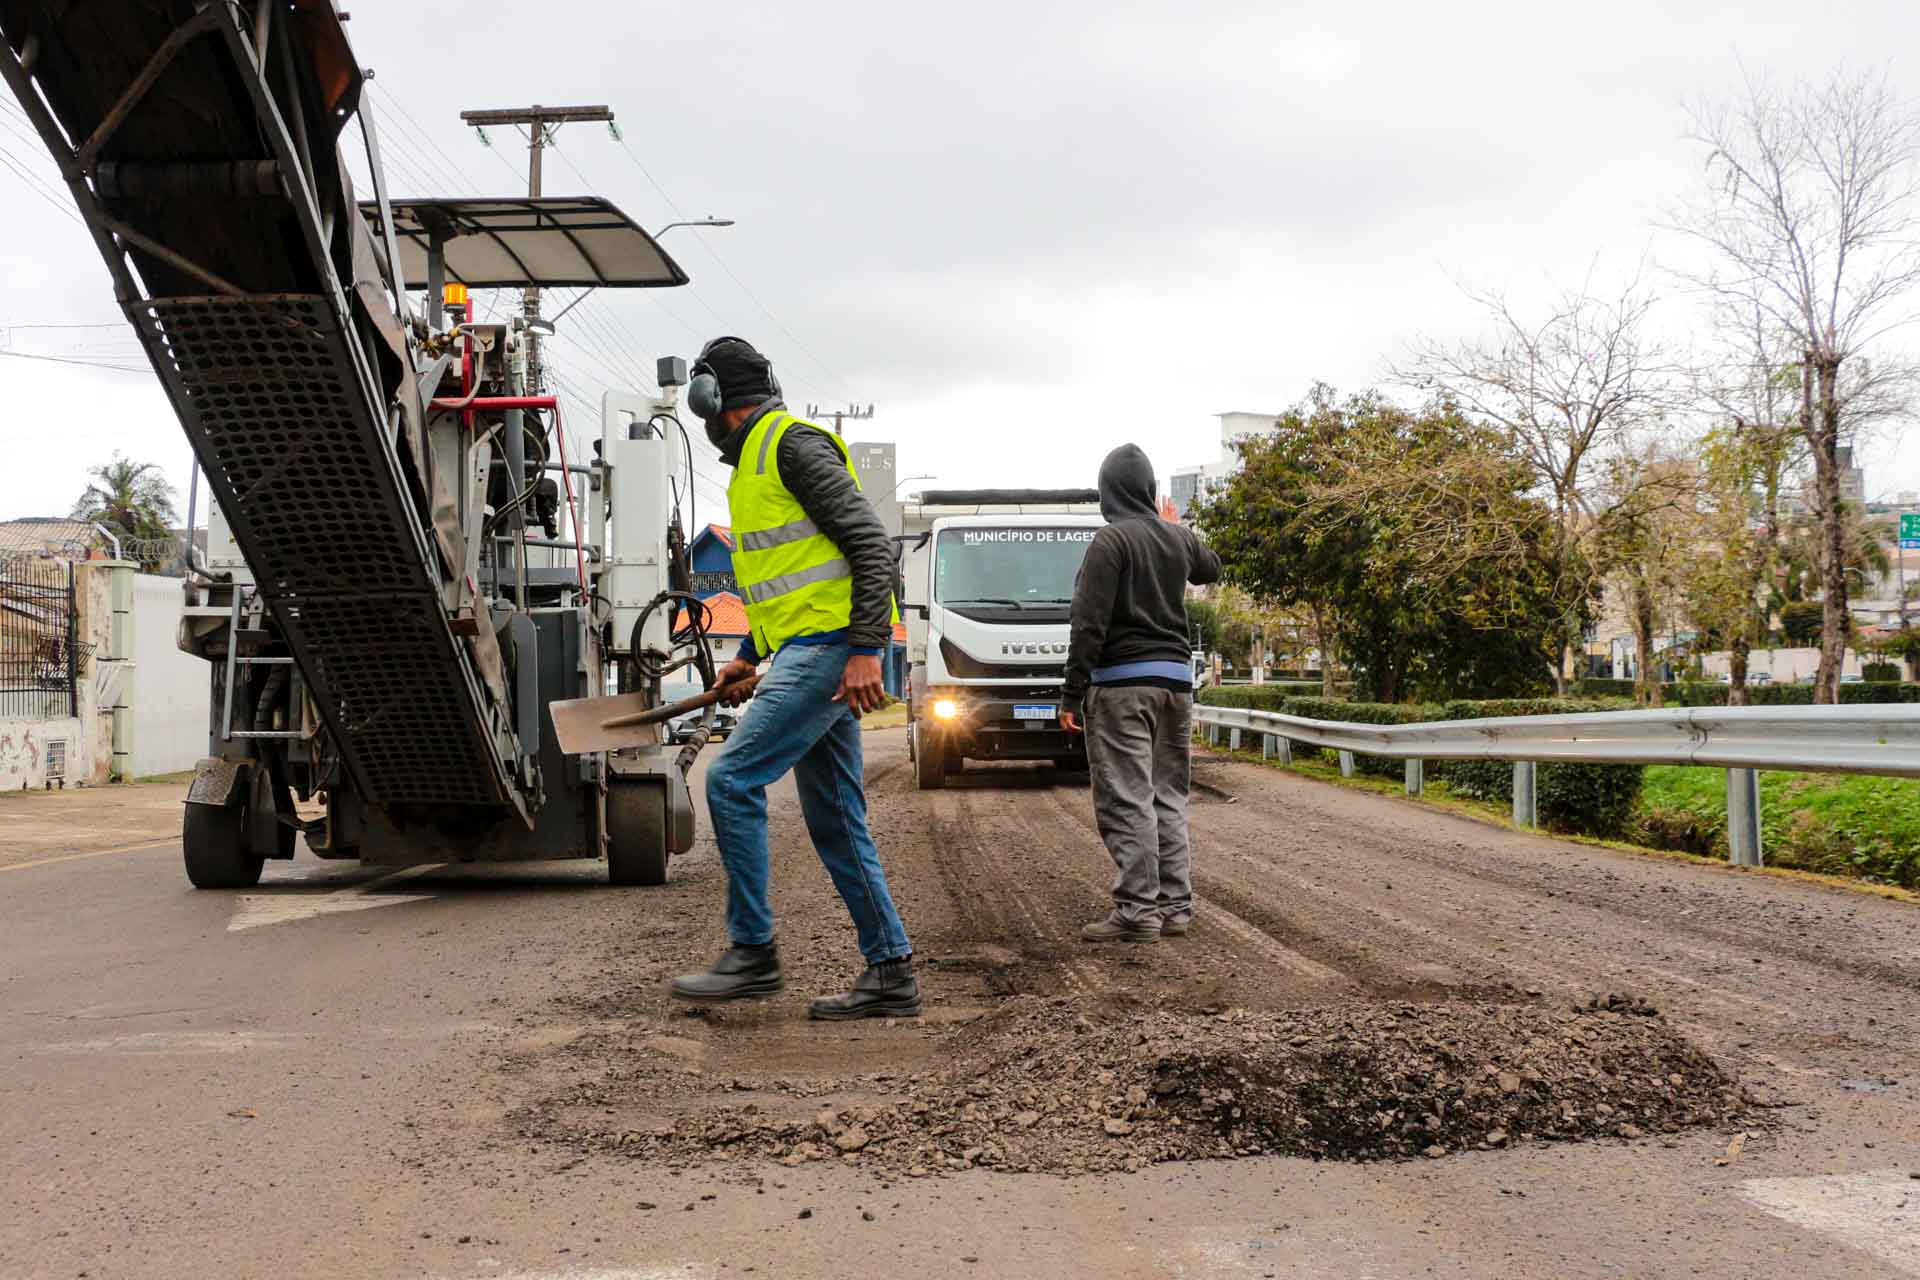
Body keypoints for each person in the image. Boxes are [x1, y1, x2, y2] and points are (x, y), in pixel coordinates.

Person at [667, 336, 918, 1019]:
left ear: (713, 400)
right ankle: (891, 971)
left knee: (730, 777)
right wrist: (748, 650)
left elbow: (872, 547)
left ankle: (754, 952)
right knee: (837, 822)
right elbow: (788, 581)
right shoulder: (753, 466)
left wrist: (866, 648)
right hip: (806, 648)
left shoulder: (790, 446)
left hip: (830, 649)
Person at [1060, 444, 1221, 943]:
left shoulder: (1110, 542)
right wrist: (1174, 526)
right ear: (1150, 492)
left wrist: (1072, 693)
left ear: (1108, 493)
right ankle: (1174, 908)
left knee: (1127, 797)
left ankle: (1136, 911)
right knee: (1168, 797)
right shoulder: (1176, 538)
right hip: (1175, 684)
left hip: (1123, 686)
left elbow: (1089, 623)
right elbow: (1210, 568)